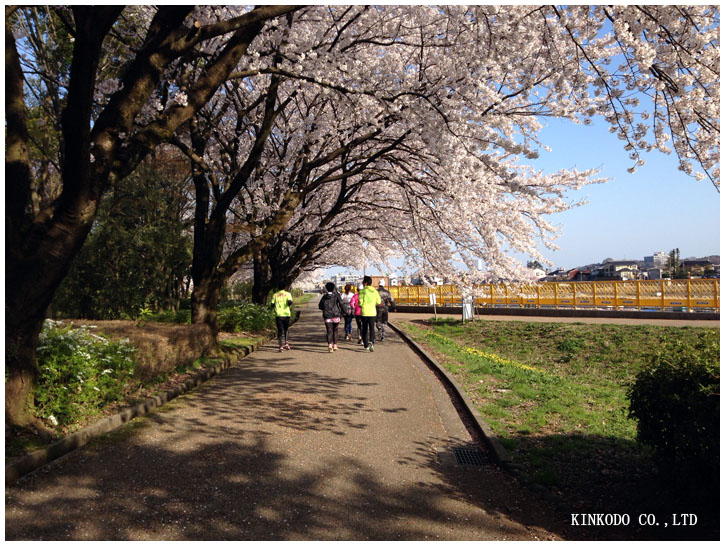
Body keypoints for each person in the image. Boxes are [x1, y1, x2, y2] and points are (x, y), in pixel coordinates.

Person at [318, 281, 344, 352]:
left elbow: (320, 306)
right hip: (336, 315)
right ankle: (335, 345)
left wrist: (325, 309)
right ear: (333, 288)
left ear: (326, 288)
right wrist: (344, 311)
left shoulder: (324, 296)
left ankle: (329, 345)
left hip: (327, 315)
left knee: (329, 331)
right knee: (335, 330)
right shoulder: (337, 295)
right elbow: (341, 303)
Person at [358, 275, 381, 352]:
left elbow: (360, 303)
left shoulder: (362, 291)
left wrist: (361, 303)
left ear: (365, 283)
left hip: (364, 312)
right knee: (372, 328)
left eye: (363, 282)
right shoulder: (375, 291)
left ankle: (366, 345)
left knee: (364, 329)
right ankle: (371, 341)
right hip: (372, 312)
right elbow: (379, 302)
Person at [271, 283, 293, 352]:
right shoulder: (288, 294)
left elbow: (272, 304)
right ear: (285, 287)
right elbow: (290, 302)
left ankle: (280, 346)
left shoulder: (275, 295)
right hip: (286, 314)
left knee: (280, 330)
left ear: (278, 288)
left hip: (278, 315)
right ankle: (286, 343)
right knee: (286, 329)